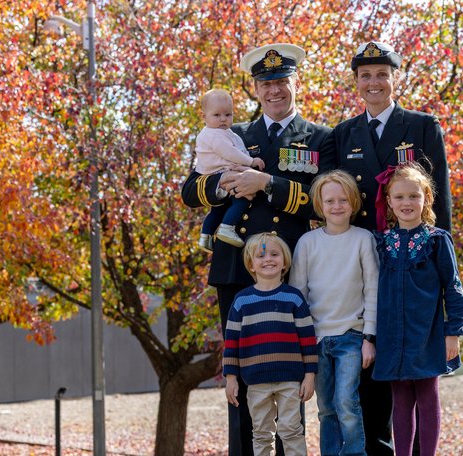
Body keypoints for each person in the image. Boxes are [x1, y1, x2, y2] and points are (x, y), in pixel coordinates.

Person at [181, 43, 334, 456]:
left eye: (282, 81)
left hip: (293, 274)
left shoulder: (321, 137)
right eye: (266, 83)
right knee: (241, 380)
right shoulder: (231, 134)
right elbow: (190, 190)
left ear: (295, 82)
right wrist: (226, 184)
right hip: (236, 271)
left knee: (288, 376)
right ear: (254, 88)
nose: (274, 90)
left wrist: (267, 184)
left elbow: (329, 202)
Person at [321, 41, 454, 455]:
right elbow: (334, 197)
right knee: (372, 366)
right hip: (365, 263)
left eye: (382, 74)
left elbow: (441, 205)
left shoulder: (422, 126)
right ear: (356, 82)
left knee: (417, 377)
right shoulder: (342, 135)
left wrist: (438, 267)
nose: (374, 82)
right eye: (366, 76)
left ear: (396, 77)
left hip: (414, 268)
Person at [372, 163, 463, 456]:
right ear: (389, 201)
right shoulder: (381, 242)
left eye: (413, 196)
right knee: (400, 401)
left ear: (426, 197)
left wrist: (453, 332)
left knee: (427, 396)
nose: (406, 203)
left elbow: (452, 288)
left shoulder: (437, 240)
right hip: (393, 335)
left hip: (427, 332)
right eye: (399, 197)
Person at [288, 170, 378, 455]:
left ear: (353, 203)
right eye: (330, 201)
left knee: (345, 402)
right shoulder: (307, 243)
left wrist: (369, 337)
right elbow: (298, 295)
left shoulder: (363, 239)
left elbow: (373, 290)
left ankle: (354, 452)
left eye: (343, 200)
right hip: (316, 339)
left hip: (352, 335)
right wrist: (301, 344)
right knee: (326, 408)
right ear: (319, 204)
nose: (336, 206)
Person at [223, 232, 318, 456]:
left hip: (290, 381)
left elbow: (307, 339)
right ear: (251, 264)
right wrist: (230, 378)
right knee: (261, 433)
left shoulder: (293, 298)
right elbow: (231, 342)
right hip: (256, 381)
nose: (268, 259)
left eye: (275, 254)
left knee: (292, 431)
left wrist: (310, 375)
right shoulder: (242, 301)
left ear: (284, 261)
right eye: (261, 256)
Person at [195, 88, 266, 251]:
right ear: (203, 116)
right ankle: (227, 227)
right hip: (221, 173)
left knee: (218, 209)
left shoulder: (222, 132)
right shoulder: (215, 135)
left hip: (221, 171)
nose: (223, 119)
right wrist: (251, 161)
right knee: (242, 199)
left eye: (228, 115)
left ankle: (205, 237)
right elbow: (230, 153)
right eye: (217, 115)